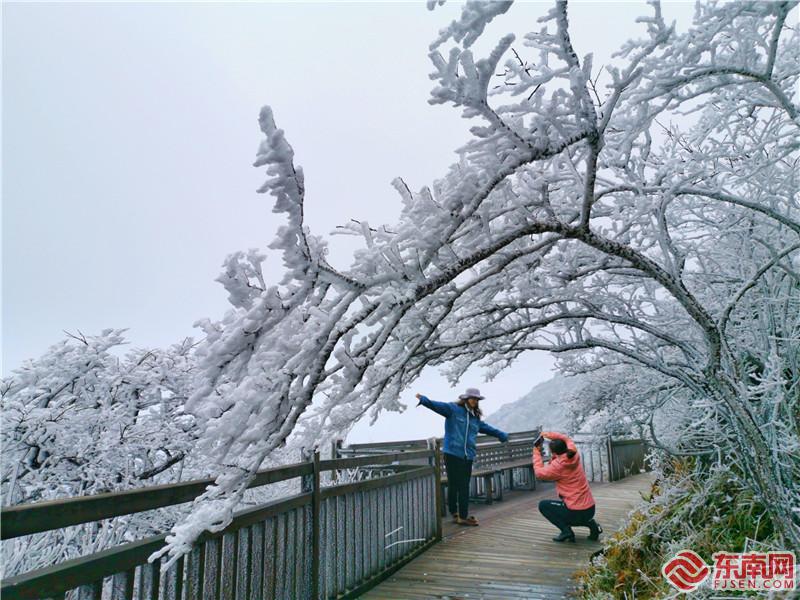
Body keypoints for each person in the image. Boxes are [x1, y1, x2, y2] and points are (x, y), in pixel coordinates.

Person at [416, 387, 509, 526]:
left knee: (463, 485)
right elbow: (437, 406)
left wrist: (501, 434)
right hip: (452, 453)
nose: (474, 401)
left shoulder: (474, 417)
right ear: (465, 398)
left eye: (476, 399)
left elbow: (486, 428)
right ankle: (456, 513)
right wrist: (424, 400)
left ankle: (462, 515)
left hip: (467, 456)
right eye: (472, 398)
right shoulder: (453, 409)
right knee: (454, 485)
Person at [533, 431, 603, 542]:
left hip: (576, 512)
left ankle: (566, 531)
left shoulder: (558, 466)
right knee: (575, 508)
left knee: (543, 505)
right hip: (590, 509)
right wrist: (548, 434)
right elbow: (567, 439)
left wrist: (536, 451)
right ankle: (592, 525)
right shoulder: (574, 454)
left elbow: (539, 473)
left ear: (553, 452)